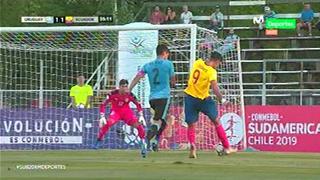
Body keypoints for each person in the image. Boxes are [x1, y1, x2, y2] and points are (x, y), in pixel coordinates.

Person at [184, 51, 237, 158]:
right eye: (219, 64)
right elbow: (214, 87)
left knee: (191, 124)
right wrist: (222, 100)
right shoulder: (211, 71)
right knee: (216, 121)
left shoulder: (198, 62)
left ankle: (193, 147)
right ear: (217, 61)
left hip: (190, 97)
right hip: (203, 100)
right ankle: (227, 147)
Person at [129, 44, 175, 152]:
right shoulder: (168, 64)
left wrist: (130, 88)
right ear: (164, 53)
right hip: (163, 97)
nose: (167, 57)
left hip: (152, 99)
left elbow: (138, 76)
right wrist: (171, 83)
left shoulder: (147, 65)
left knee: (164, 120)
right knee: (157, 122)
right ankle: (146, 140)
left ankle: (155, 141)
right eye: (167, 54)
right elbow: (173, 81)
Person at [94, 79, 147, 157]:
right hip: (116, 112)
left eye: (126, 86)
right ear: (119, 87)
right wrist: (102, 116)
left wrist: (141, 115)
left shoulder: (130, 94)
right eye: (123, 86)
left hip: (127, 113)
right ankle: (98, 140)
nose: (125, 88)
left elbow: (138, 104)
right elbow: (103, 104)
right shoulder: (112, 93)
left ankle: (143, 143)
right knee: (107, 123)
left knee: (138, 125)